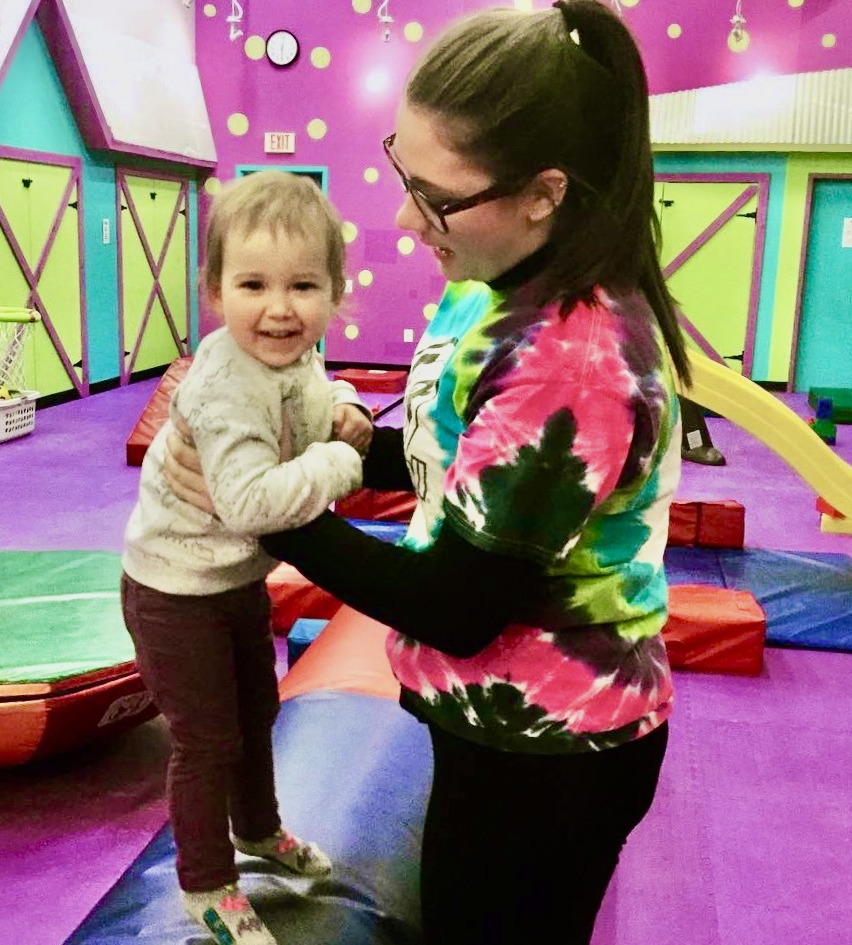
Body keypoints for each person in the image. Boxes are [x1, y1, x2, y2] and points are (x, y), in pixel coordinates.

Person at [166, 4, 691, 943]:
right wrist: (307, 445)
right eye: (405, 174)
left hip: (551, 749)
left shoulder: (572, 360)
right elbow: (443, 451)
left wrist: (263, 508)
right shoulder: (488, 279)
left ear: (542, 192)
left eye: (437, 198)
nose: (408, 218)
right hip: (486, 718)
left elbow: (457, 601)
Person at [121, 170, 372, 945]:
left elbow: (311, 395)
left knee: (260, 712)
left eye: (304, 285)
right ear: (214, 289)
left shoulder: (294, 354)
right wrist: (342, 461)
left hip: (232, 577)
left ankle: (258, 829)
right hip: (173, 587)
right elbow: (256, 504)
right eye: (253, 283)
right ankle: (206, 882)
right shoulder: (226, 382)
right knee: (206, 740)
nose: (279, 307)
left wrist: (346, 408)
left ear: (334, 291)